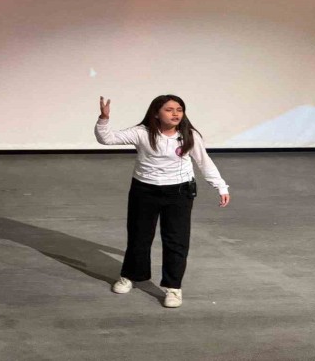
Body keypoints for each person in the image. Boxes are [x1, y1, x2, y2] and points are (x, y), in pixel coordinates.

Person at [94, 94, 230, 308]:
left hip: (179, 192)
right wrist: (104, 118)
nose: (175, 113)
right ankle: (130, 275)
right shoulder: (142, 133)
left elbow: (204, 162)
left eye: (179, 109)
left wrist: (220, 186)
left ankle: (173, 287)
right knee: (139, 236)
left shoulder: (189, 135)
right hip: (144, 191)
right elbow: (107, 139)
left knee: (176, 240)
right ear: (156, 113)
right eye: (169, 109)